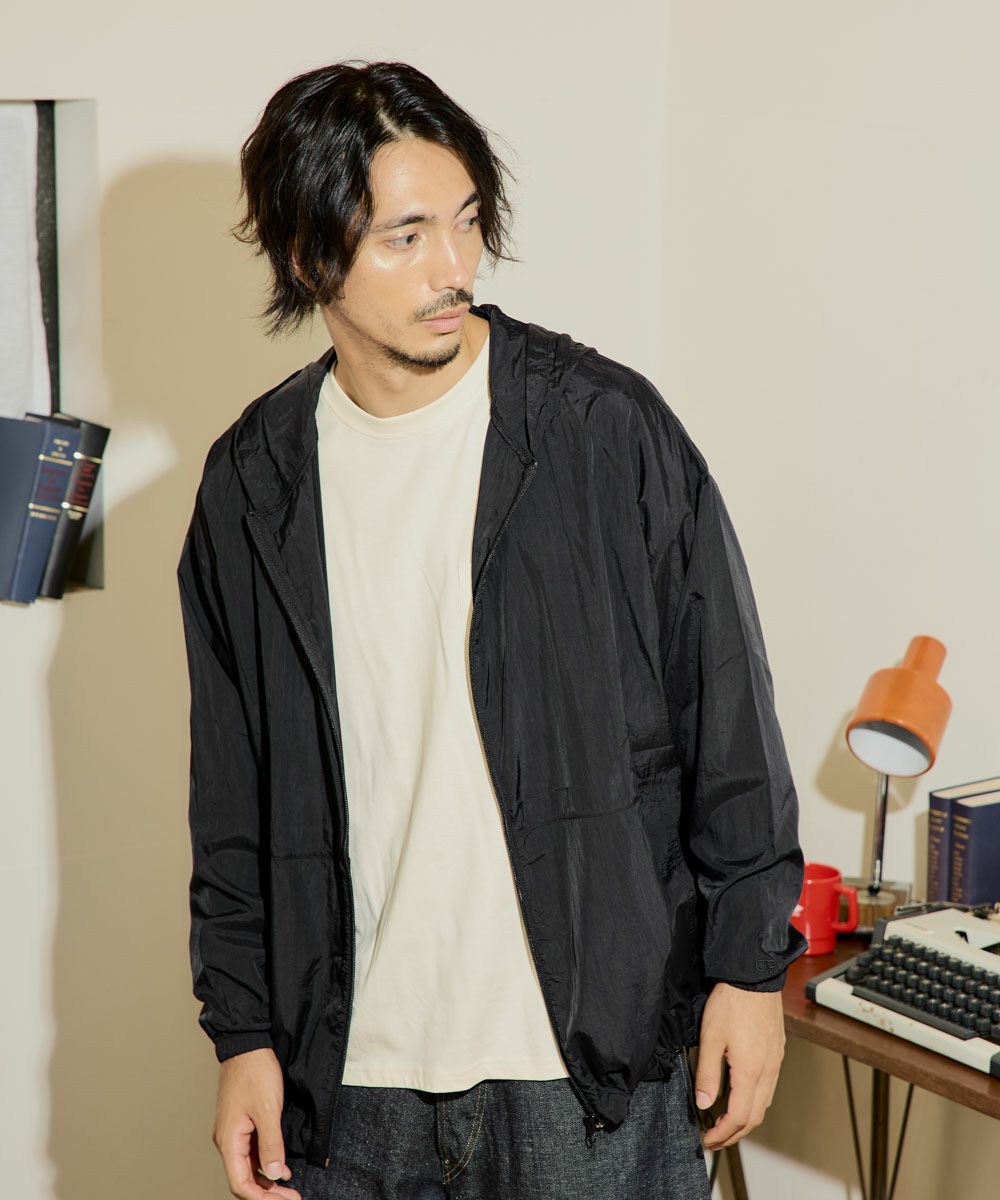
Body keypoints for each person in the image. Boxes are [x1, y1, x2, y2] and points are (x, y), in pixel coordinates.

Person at [176, 58, 808, 1200]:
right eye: (405, 237)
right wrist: (243, 1035)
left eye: (466, 222)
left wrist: (752, 972)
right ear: (310, 256)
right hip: (349, 1084)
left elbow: (727, 715)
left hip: (587, 1073)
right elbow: (233, 795)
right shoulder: (252, 485)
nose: (454, 268)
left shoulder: (602, 430)